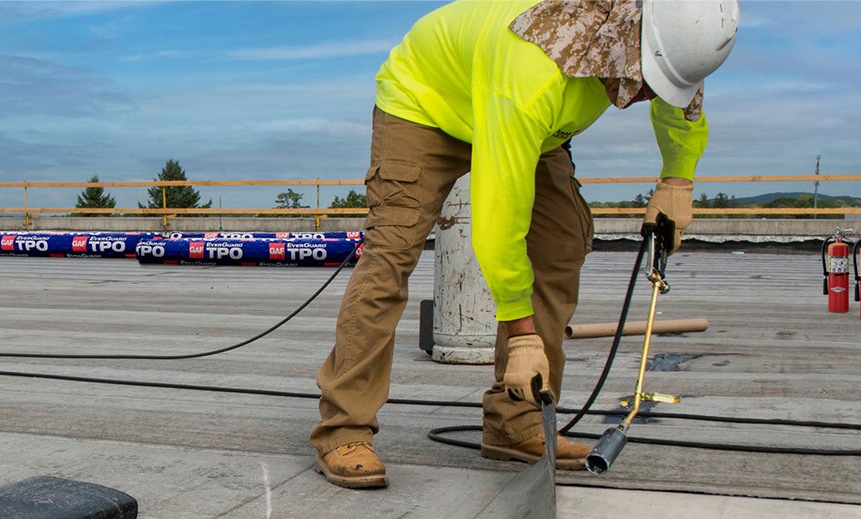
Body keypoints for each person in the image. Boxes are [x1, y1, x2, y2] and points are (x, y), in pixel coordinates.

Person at [310, 0, 739, 488]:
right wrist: (522, 334)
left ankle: (515, 423)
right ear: (622, 42)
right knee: (392, 253)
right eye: (648, 79)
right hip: (426, 104)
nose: (646, 95)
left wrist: (677, 181)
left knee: (562, 242)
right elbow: (499, 215)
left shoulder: (660, 32)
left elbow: (676, 105)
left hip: (526, 122)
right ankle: (343, 428)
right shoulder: (536, 67)